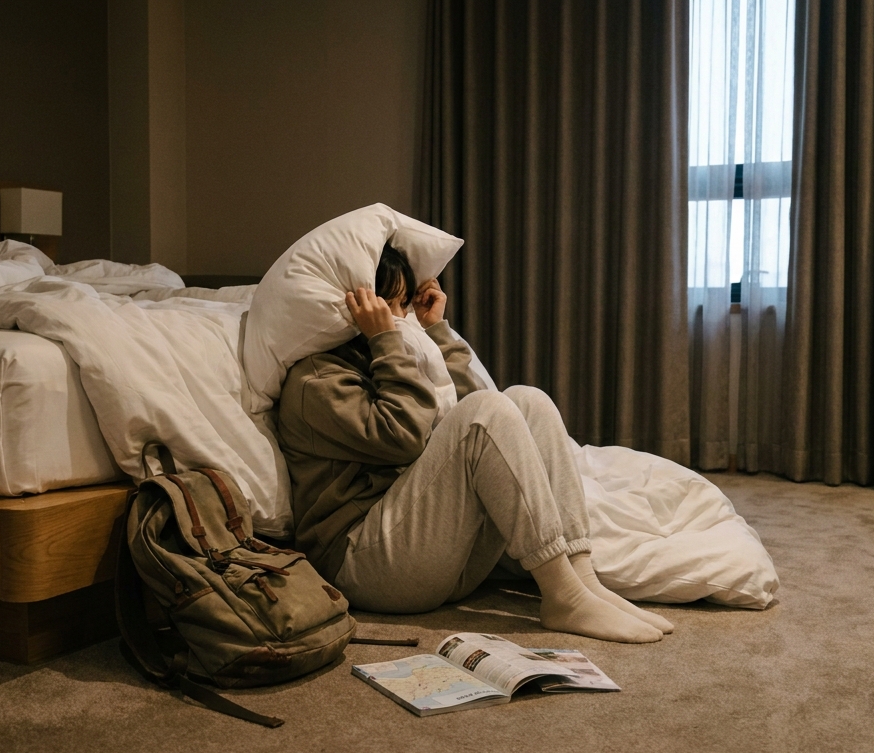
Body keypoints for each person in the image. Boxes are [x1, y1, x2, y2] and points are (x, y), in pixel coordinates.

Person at [273, 243, 673, 643]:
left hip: (436, 555)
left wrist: (435, 331)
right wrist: (385, 341)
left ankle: (580, 579)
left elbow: (465, 407)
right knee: (486, 412)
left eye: (402, 305)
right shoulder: (316, 381)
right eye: (387, 305)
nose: (398, 318)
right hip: (364, 565)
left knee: (526, 400)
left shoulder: (391, 353)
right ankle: (562, 596)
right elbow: (404, 438)